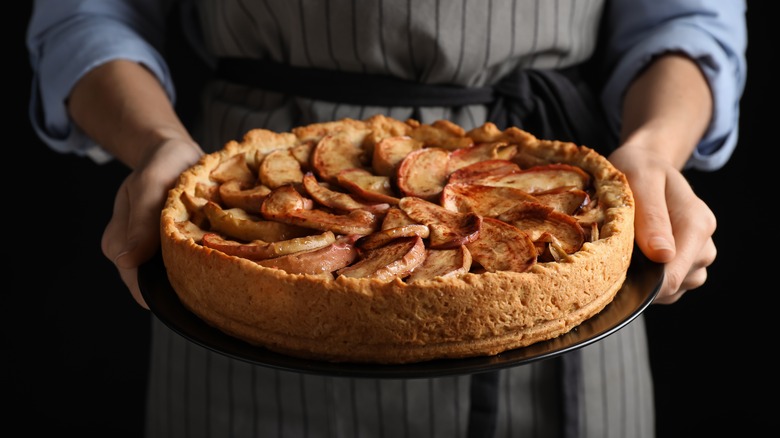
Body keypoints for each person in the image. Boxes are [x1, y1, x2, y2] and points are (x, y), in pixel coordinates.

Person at [26, 0, 747, 437]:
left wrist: (652, 150)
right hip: (244, 266)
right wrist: (159, 147)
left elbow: (690, 16)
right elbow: (85, 14)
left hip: (559, 271)